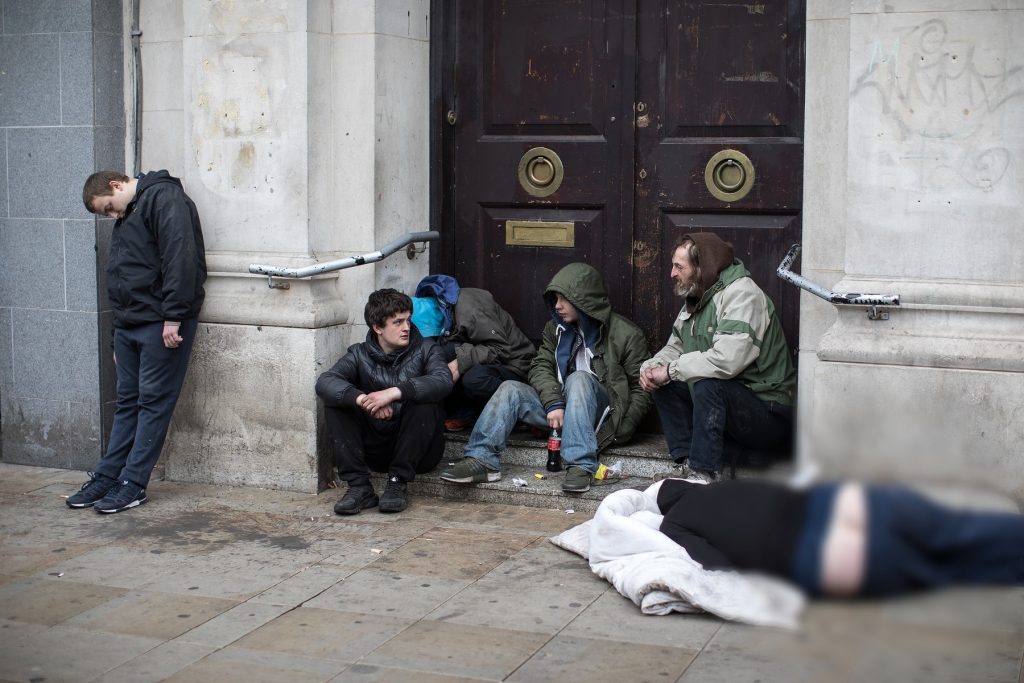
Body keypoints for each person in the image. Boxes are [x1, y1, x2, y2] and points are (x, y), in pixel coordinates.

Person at [440, 263, 651, 493]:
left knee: (579, 378)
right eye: (555, 299)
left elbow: (642, 389)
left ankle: (580, 464)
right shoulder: (555, 329)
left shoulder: (627, 334)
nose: (557, 306)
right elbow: (540, 366)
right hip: (560, 411)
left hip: (602, 414)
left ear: (584, 300)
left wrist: (617, 432)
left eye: (564, 299)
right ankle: (481, 460)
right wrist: (553, 403)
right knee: (511, 388)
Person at [66, 170, 206, 513]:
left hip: (161, 323)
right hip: (130, 325)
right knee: (127, 401)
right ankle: (109, 474)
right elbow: (122, 274)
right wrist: (117, 336)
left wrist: (174, 315)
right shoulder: (131, 210)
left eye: (109, 208)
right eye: (107, 214)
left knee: (153, 403)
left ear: (117, 186)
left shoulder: (163, 198)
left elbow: (180, 258)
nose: (113, 215)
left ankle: (134, 482)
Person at [656, 477, 1024, 597]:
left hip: (811, 549)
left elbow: (714, 561)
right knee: (953, 531)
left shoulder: (673, 523)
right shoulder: (728, 485)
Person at [640, 233, 796, 481]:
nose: (672, 273)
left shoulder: (743, 294)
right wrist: (652, 368)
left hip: (768, 414)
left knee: (707, 383)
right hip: (732, 409)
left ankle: (703, 472)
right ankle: (686, 462)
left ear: (702, 268)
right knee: (666, 383)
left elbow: (727, 361)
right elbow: (676, 347)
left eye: (679, 266)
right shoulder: (698, 295)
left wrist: (670, 370)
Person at [316, 288, 453, 515]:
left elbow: (443, 381)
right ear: (377, 327)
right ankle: (359, 488)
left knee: (426, 399)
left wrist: (393, 393)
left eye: (408, 320)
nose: (407, 328)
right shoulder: (359, 354)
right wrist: (364, 401)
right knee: (337, 402)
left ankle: (397, 482)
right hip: (374, 448)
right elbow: (326, 381)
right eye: (397, 322)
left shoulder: (428, 349)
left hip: (419, 452)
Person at [413, 275, 535, 432]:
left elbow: (501, 349)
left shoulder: (470, 310)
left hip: (513, 364)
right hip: (484, 357)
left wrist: (460, 362)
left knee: (474, 379)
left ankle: (519, 412)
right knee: (440, 355)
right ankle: (467, 411)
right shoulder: (435, 309)